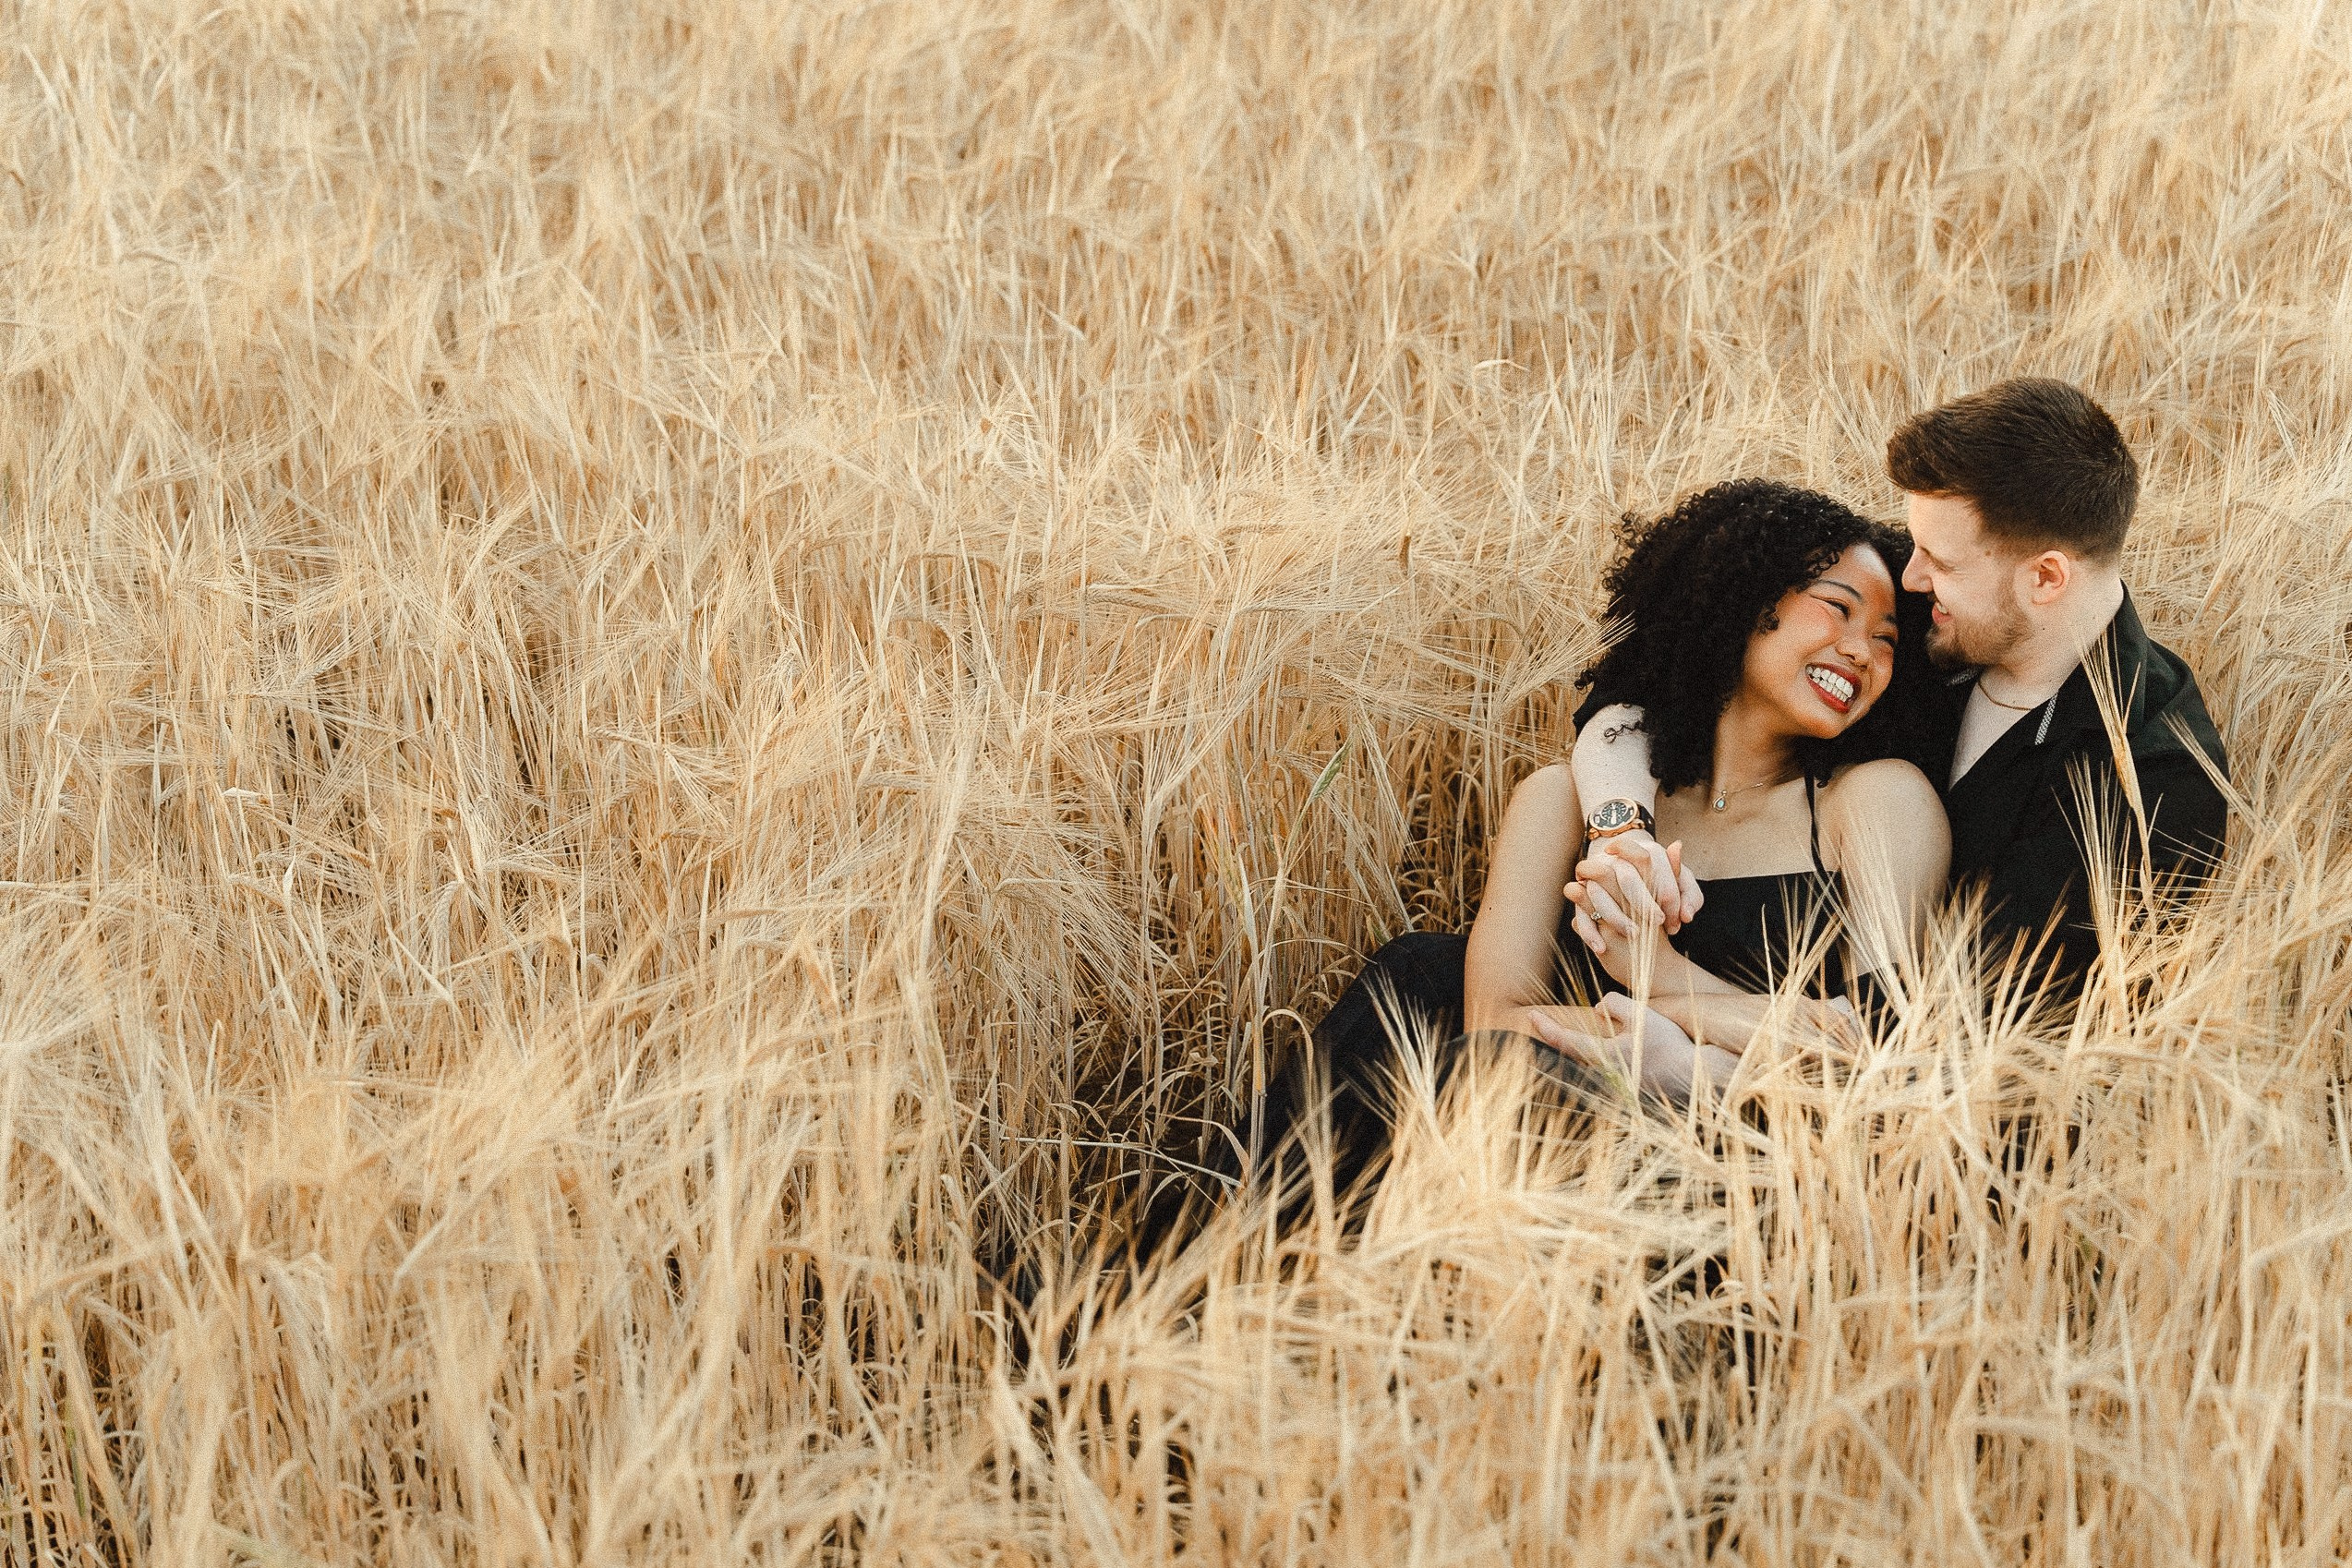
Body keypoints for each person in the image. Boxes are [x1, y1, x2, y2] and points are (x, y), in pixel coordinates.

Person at [1292, 478, 1948, 1185]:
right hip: (1551, 1150)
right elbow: (1493, 1025)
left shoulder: (1875, 799)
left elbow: (1871, 1046)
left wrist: (1659, 979)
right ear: (1741, 600)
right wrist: (1744, 1020)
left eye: (1885, 640)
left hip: (1753, 1165)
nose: (1861, 652)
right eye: (1837, 609)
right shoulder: (1564, 801)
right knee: (1418, 980)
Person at [1572, 379, 2228, 994]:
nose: (1910, 578)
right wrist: (1620, 828)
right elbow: (1651, 692)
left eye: (1939, 561)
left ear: (2046, 578)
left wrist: (1676, 1011)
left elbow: (1966, 1016)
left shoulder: (2152, 776)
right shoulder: (1923, 621)